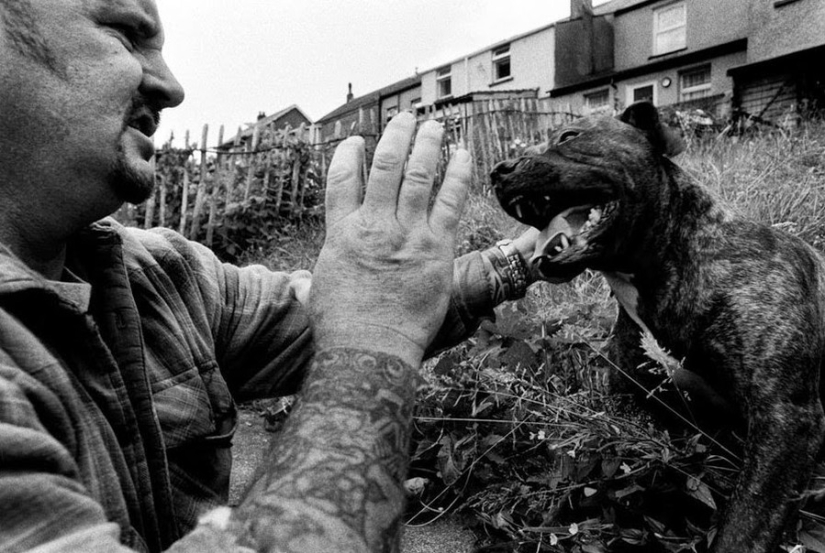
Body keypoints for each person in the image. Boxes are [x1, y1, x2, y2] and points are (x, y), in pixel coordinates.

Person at [0, 1, 540, 552]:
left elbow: (338, 305)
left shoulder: (162, 277)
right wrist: (376, 337)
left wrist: (526, 257)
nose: (171, 87)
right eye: (125, 35)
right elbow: (370, 315)